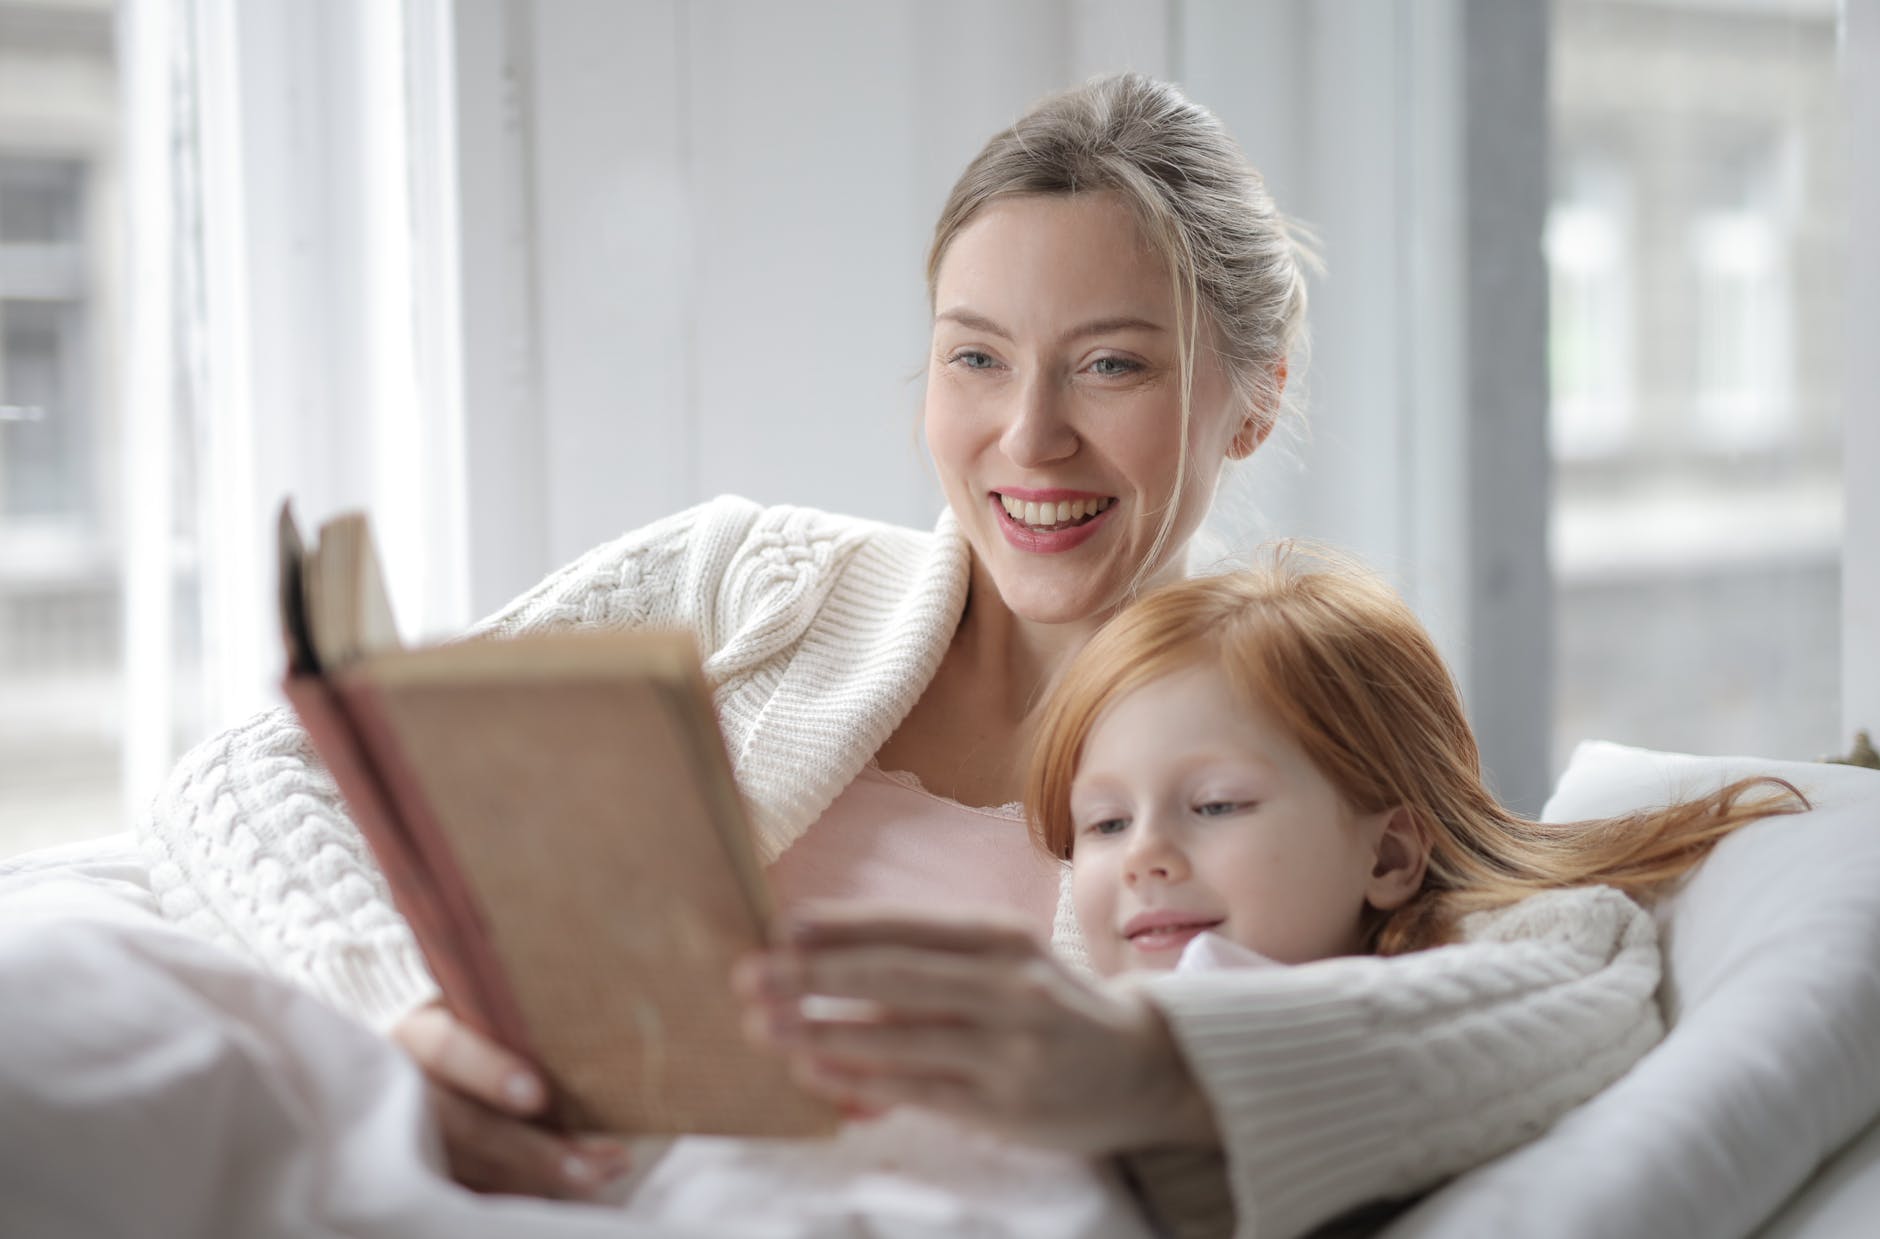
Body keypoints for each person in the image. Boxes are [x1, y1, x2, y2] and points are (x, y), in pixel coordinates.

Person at [128, 69, 1674, 1233]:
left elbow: (1585, 976)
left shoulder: (1286, 719)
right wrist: (405, 1005)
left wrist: (1147, 1067)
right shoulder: (746, 578)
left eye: (1113, 365)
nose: (1030, 436)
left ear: (1252, 400)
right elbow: (258, 770)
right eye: (975, 358)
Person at [731, 549, 1806, 1236]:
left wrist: (1157, 1068)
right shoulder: (1070, 994)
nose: (1142, 855)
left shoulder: (1516, 945)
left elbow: (1569, 988)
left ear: (1387, 855)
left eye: (1213, 805)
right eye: (1102, 824)